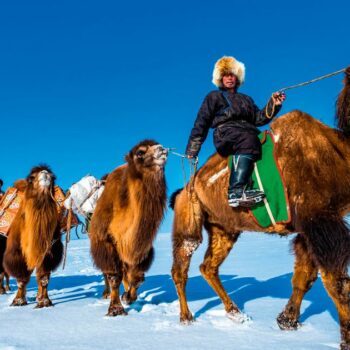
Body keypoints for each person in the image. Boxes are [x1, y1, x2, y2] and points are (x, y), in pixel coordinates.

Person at [185, 56, 286, 207]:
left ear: (237, 77)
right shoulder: (214, 96)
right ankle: (236, 191)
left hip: (248, 132)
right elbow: (202, 121)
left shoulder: (247, 99)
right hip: (225, 133)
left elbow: (258, 119)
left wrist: (274, 104)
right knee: (247, 139)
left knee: (266, 143)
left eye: (232, 74)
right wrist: (193, 148)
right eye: (225, 75)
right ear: (220, 78)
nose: (229, 78)